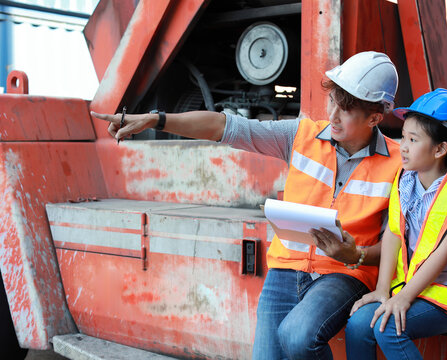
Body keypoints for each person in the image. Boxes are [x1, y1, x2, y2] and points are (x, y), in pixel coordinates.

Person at [91, 51, 402, 359]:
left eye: (345, 111)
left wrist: (355, 254)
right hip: (285, 267)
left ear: (374, 118)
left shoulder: (398, 164)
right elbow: (223, 127)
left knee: (297, 335)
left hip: (345, 274)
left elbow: (395, 244)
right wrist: (156, 119)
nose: (333, 115)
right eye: (333, 101)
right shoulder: (301, 135)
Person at [345, 88, 447, 359]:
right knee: (358, 325)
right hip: (415, 287)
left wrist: (404, 298)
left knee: (389, 326)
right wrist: (383, 290)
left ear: (441, 149)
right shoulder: (405, 180)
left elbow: (444, 251)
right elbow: (394, 233)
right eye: (403, 136)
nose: (402, 146)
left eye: (413, 139)